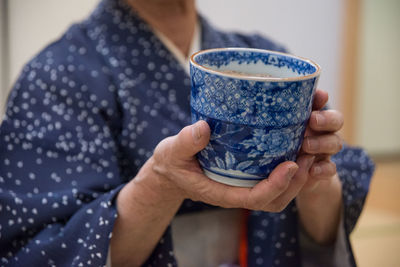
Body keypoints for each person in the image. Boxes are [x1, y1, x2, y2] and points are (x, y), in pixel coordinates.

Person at [0, 0, 374, 266]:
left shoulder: (261, 56)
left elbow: (323, 233)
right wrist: (158, 187)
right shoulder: (57, 76)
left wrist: (315, 177)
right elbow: (43, 249)